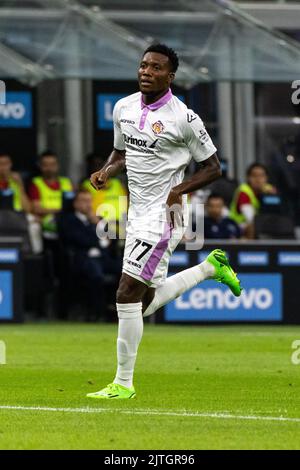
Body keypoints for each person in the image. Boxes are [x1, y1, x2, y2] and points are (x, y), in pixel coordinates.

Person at [87, 43, 242, 400]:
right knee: (139, 304)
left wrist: (180, 190)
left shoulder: (184, 118)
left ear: (170, 77)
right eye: (143, 65)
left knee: (126, 293)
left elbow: (214, 167)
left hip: (166, 217)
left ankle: (123, 384)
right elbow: (123, 150)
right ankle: (209, 269)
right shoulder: (122, 107)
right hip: (137, 213)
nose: (146, 71)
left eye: (156, 68)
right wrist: (108, 169)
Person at [58, 190, 122, 321]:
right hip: (82, 259)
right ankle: (98, 312)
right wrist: (98, 235)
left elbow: (113, 239)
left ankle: (117, 308)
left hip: (103, 258)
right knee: (96, 275)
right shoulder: (68, 219)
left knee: (125, 270)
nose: (87, 204)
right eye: (83, 201)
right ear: (75, 204)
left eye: (89, 201)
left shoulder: (98, 219)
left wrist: (99, 224)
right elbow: (78, 239)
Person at [28, 151, 73, 238]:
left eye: (52, 165)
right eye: (45, 165)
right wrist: (59, 211)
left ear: (57, 166)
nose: (49, 168)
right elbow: (36, 209)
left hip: (66, 220)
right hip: (46, 222)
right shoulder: (36, 183)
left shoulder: (66, 182)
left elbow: (72, 204)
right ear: (40, 166)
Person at [229, 163, 276, 238]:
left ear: (266, 178)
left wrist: (273, 195)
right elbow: (250, 218)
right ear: (248, 178)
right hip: (238, 226)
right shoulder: (244, 191)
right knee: (252, 226)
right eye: (254, 176)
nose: (258, 179)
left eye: (261, 176)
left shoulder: (269, 190)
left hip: (261, 224)